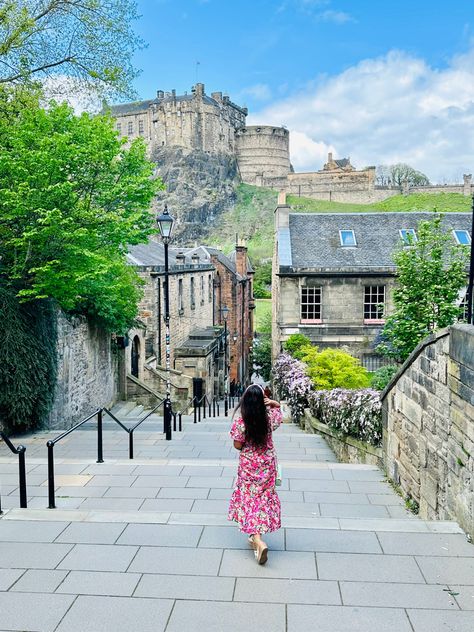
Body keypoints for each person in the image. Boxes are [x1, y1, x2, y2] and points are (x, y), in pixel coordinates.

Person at [227, 384, 282, 565]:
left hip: (249, 467)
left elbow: (237, 444)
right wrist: (273, 403)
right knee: (263, 499)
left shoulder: (241, 421)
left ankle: (257, 540)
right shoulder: (268, 418)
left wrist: (246, 447)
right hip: (267, 466)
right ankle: (256, 536)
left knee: (250, 500)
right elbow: (278, 412)